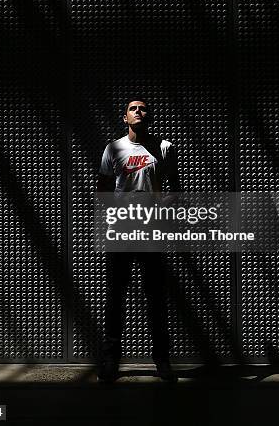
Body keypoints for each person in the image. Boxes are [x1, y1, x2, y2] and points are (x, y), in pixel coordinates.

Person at [96, 99, 181, 383]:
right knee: (115, 297)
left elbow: (176, 191)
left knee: (155, 296)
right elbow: (103, 191)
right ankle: (110, 361)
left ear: (149, 117)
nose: (139, 112)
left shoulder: (165, 147)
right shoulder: (113, 149)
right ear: (125, 117)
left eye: (143, 109)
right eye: (134, 108)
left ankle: (162, 360)